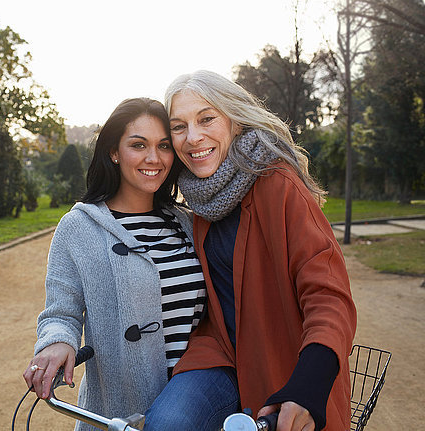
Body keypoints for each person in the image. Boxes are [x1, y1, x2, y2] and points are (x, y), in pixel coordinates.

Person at [144, 71, 357, 431]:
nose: (193, 137)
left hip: (283, 359)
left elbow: (328, 292)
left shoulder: (277, 182)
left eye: (207, 118)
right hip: (221, 354)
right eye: (179, 126)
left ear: (235, 121)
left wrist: (311, 382)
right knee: (166, 423)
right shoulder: (201, 199)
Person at [23, 98, 210, 431]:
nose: (154, 158)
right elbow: (60, 313)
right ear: (113, 151)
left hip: (198, 405)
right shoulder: (78, 226)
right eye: (138, 145)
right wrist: (56, 341)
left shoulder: (189, 223)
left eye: (164, 146)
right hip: (119, 411)